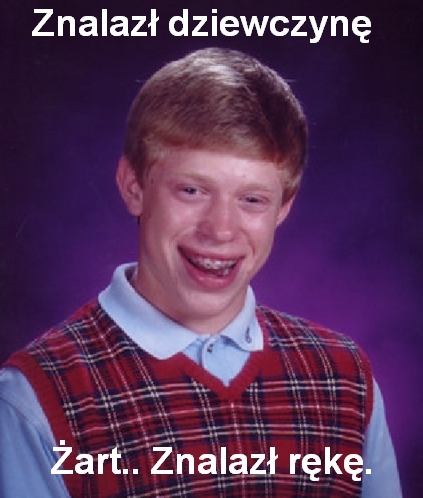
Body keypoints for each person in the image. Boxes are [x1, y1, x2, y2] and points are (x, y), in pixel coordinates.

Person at [0, 48, 401, 497]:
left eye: (252, 199)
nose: (221, 229)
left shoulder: (344, 380)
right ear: (134, 186)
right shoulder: (35, 399)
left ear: (283, 208)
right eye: (192, 190)